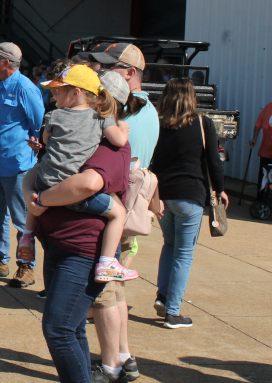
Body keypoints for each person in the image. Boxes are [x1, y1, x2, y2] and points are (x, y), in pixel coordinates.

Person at [18, 65, 133, 283]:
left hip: (44, 182)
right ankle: (107, 262)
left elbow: (45, 140)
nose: (53, 96)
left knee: (36, 190)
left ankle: (26, 237)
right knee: (118, 212)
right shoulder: (101, 118)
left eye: (58, 91)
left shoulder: (54, 115)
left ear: (75, 93)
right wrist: (123, 128)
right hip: (72, 192)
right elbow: (119, 140)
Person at [87, 42, 159, 381]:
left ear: (130, 73)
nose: (100, 73)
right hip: (128, 209)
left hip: (114, 210)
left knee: (105, 295)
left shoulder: (127, 110)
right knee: (115, 291)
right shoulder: (148, 109)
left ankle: (112, 364)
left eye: (109, 67)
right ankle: (124, 356)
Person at [150, 78, 227, 329]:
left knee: (169, 246)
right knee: (184, 254)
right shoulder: (203, 123)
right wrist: (220, 190)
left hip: (163, 196)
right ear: (192, 97)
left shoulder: (158, 124)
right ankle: (173, 312)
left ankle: (162, 296)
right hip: (190, 196)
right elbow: (214, 162)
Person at [0, 43, 44, 288]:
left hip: (18, 164)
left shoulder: (25, 87)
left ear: (6, 62)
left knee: (22, 220)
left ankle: (26, 267)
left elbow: (37, 122)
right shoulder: (0, 86)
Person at [249, 100, 272, 199]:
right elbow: (258, 125)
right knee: (264, 177)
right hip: (266, 150)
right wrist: (254, 138)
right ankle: (261, 201)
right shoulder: (268, 107)